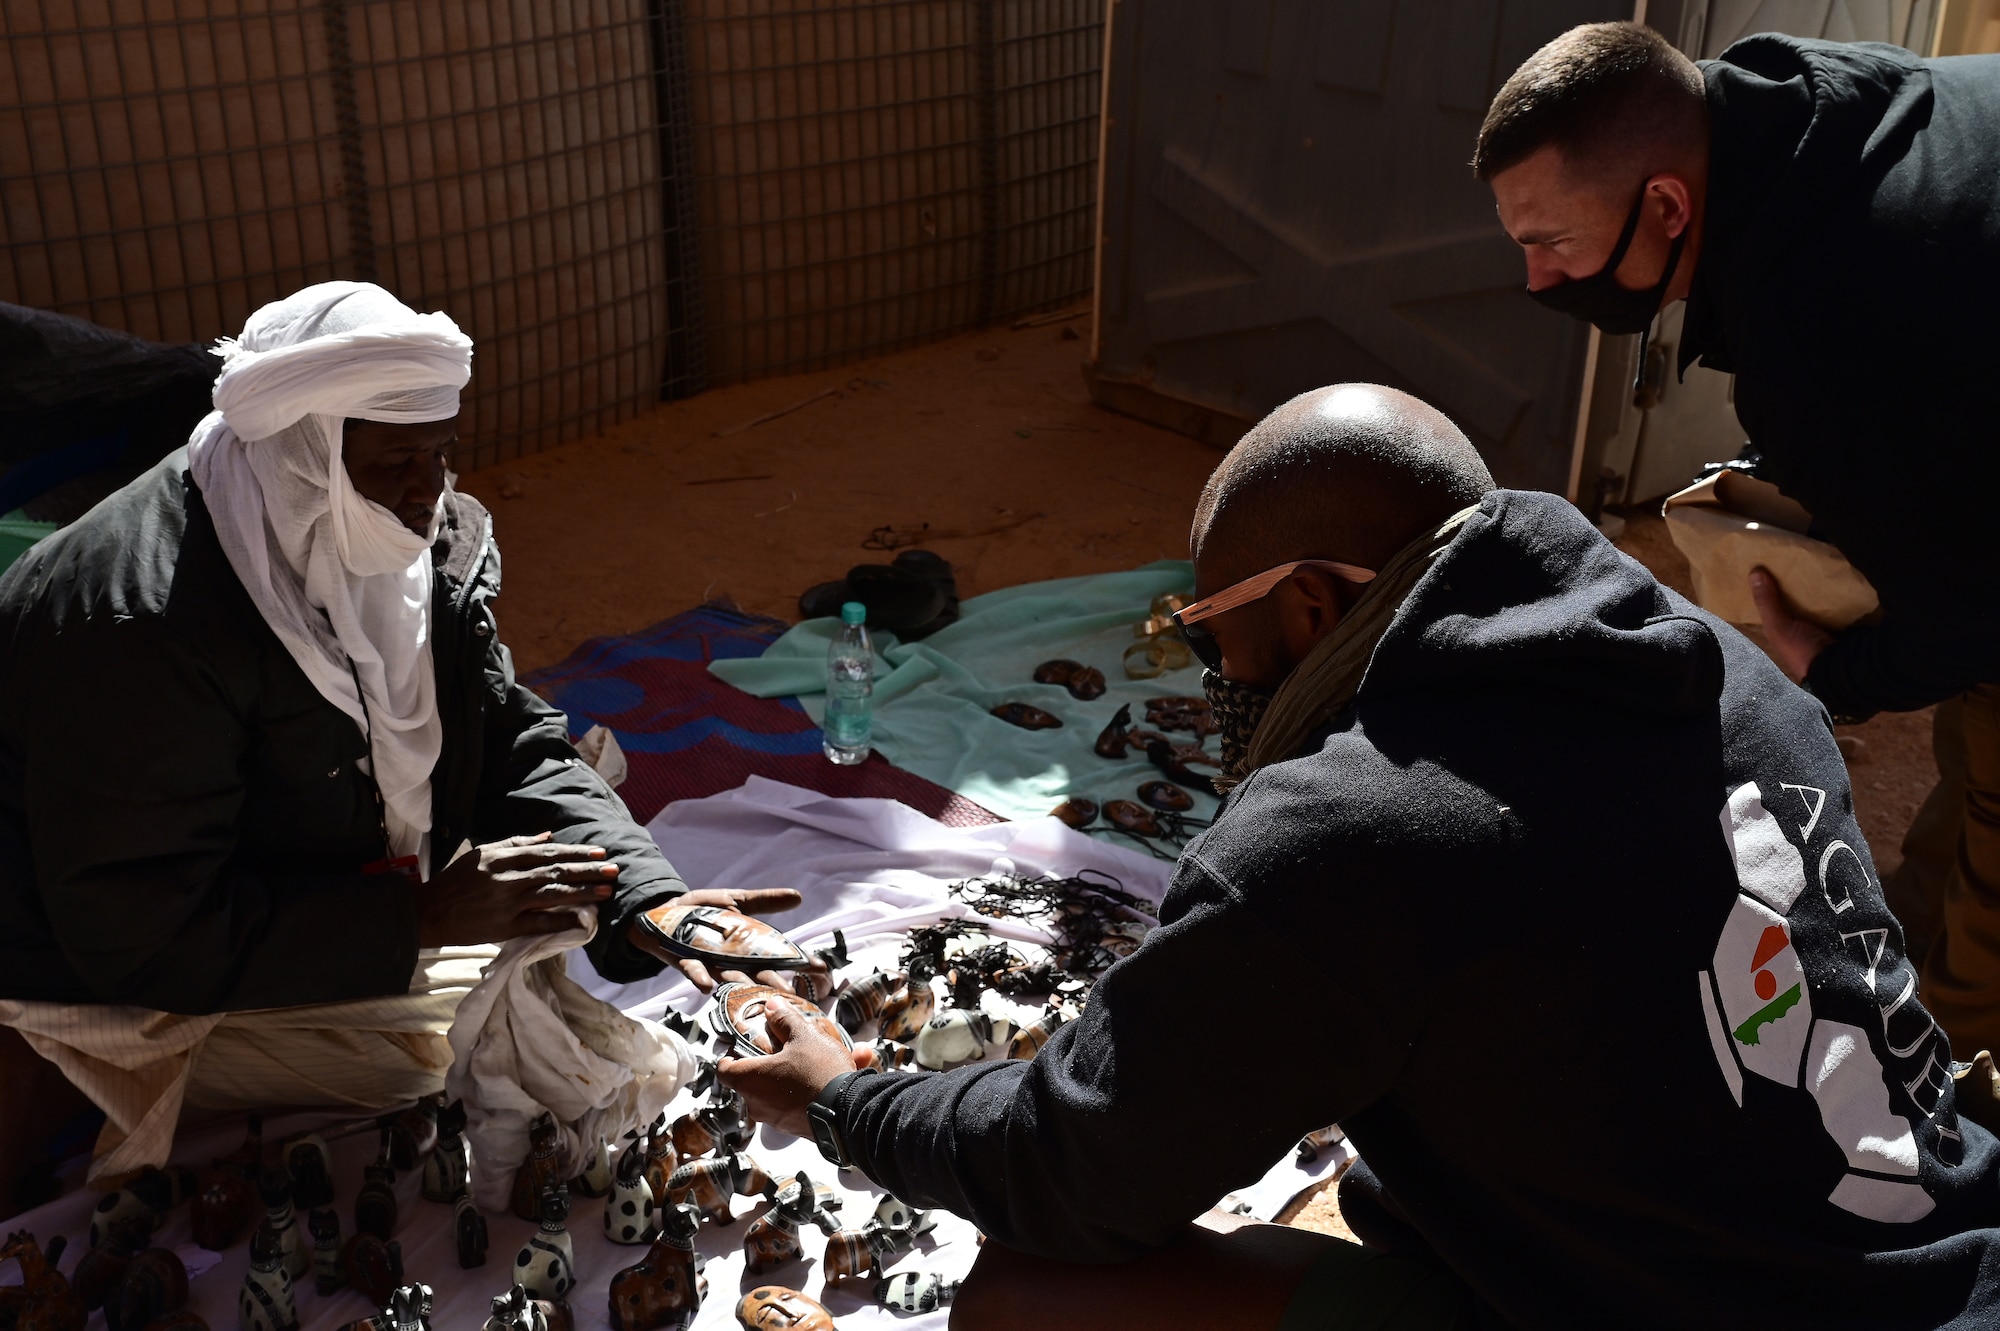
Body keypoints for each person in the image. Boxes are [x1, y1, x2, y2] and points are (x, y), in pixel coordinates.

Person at [719, 383, 2000, 1330]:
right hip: (1938, 1255)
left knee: (1028, 1292)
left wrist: (846, 1094)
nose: (1209, 669)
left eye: (1206, 624)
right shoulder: (1722, 667)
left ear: (1310, 606)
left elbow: (1072, 1171)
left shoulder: (1353, 829)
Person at [0, 282, 793, 1197]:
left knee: (538, 940)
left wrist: (652, 899)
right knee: (443, 1051)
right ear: (300, 456)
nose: (428, 493)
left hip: (280, 875)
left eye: (441, 454)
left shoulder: (402, 531)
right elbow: (138, 930)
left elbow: (499, 730)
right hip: (83, 951)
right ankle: (58, 1077)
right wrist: (418, 919)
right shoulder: (139, 626)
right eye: (391, 463)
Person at [1474, 21, 2000, 1056]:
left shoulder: (1819, 325)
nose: (1538, 282)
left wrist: (1837, 668)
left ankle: (1949, 1099)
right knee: (1975, 754)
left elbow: (1975, 614)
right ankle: (1912, 939)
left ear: (1665, 204)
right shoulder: (1795, 107)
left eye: (1552, 244)